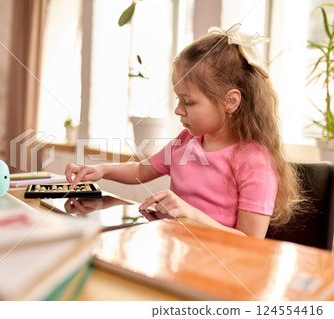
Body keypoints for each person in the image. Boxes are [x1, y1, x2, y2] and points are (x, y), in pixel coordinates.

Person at [65, 24, 302, 238]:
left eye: (188, 102)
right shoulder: (185, 141)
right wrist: (101, 169)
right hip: (178, 252)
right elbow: (140, 169)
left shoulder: (255, 162)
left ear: (230, 101)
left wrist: (190, 214)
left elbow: (251, 242)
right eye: (178, 100)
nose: (178, 110)